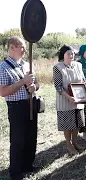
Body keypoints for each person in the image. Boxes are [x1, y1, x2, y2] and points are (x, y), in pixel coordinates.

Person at [0, 36, 40, 180]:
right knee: (18, 140)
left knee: (31, 137)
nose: (24, 50)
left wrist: (34, 87)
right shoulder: (3, 67)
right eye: (21, 47)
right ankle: (15, 171)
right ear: (12, 47)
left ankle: (28, 165)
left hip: (31, 104)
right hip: (16, 108)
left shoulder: (27, 64)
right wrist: (22, 82)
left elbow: (38, 84)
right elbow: (3, 92)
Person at [53, 45, 86, 155]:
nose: (71, 56)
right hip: (65, 101)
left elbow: (83, 81)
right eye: (68, 53)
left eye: (72, 53)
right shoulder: (58, 67)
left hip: (78, 100)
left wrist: (85, 93)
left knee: (76, 123)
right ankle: (69, 144)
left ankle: (75, 142)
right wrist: (69, 97)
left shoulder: (78, 65)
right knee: (68, 125)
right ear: (63, 55)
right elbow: (58, 86)